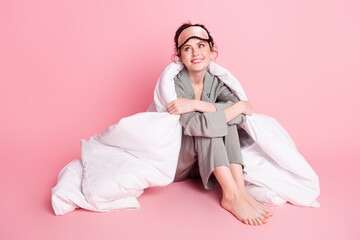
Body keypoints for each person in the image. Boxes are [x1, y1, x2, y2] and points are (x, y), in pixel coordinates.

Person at [166, 23, 273, 226]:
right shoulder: (176, 83)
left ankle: (240, 191)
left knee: (225, 122)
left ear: (211, 49)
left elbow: (239, 115)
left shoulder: (216, 81)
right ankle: (230, 195)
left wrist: (195, 104)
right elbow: (193, 125)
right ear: (179, 55)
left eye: (201, 45)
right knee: (212, 124)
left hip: (208, 163)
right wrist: (237, 107)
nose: (195, 53)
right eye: (187, 48)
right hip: (183, 163)